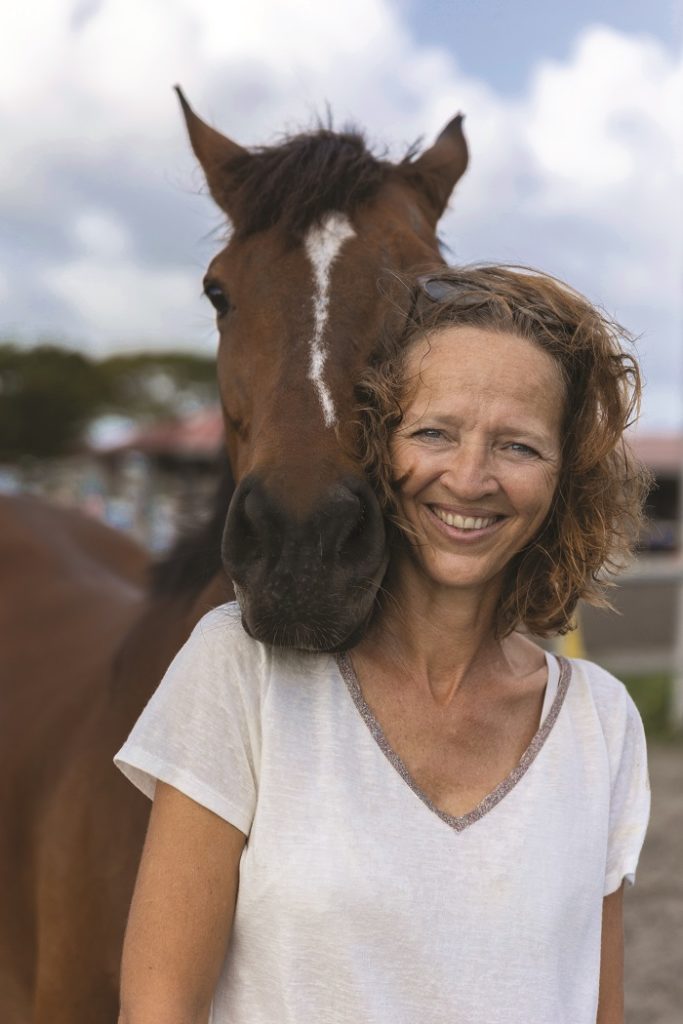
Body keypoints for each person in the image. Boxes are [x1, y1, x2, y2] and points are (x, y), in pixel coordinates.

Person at [115, 264, 651, 1024]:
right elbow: (157, 1009)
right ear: (375, 445)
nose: (469, 478)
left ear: (566, 479)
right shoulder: (241, 666)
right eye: (433, 432)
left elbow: (598, 1008)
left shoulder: (602, 722)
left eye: (518, 447)